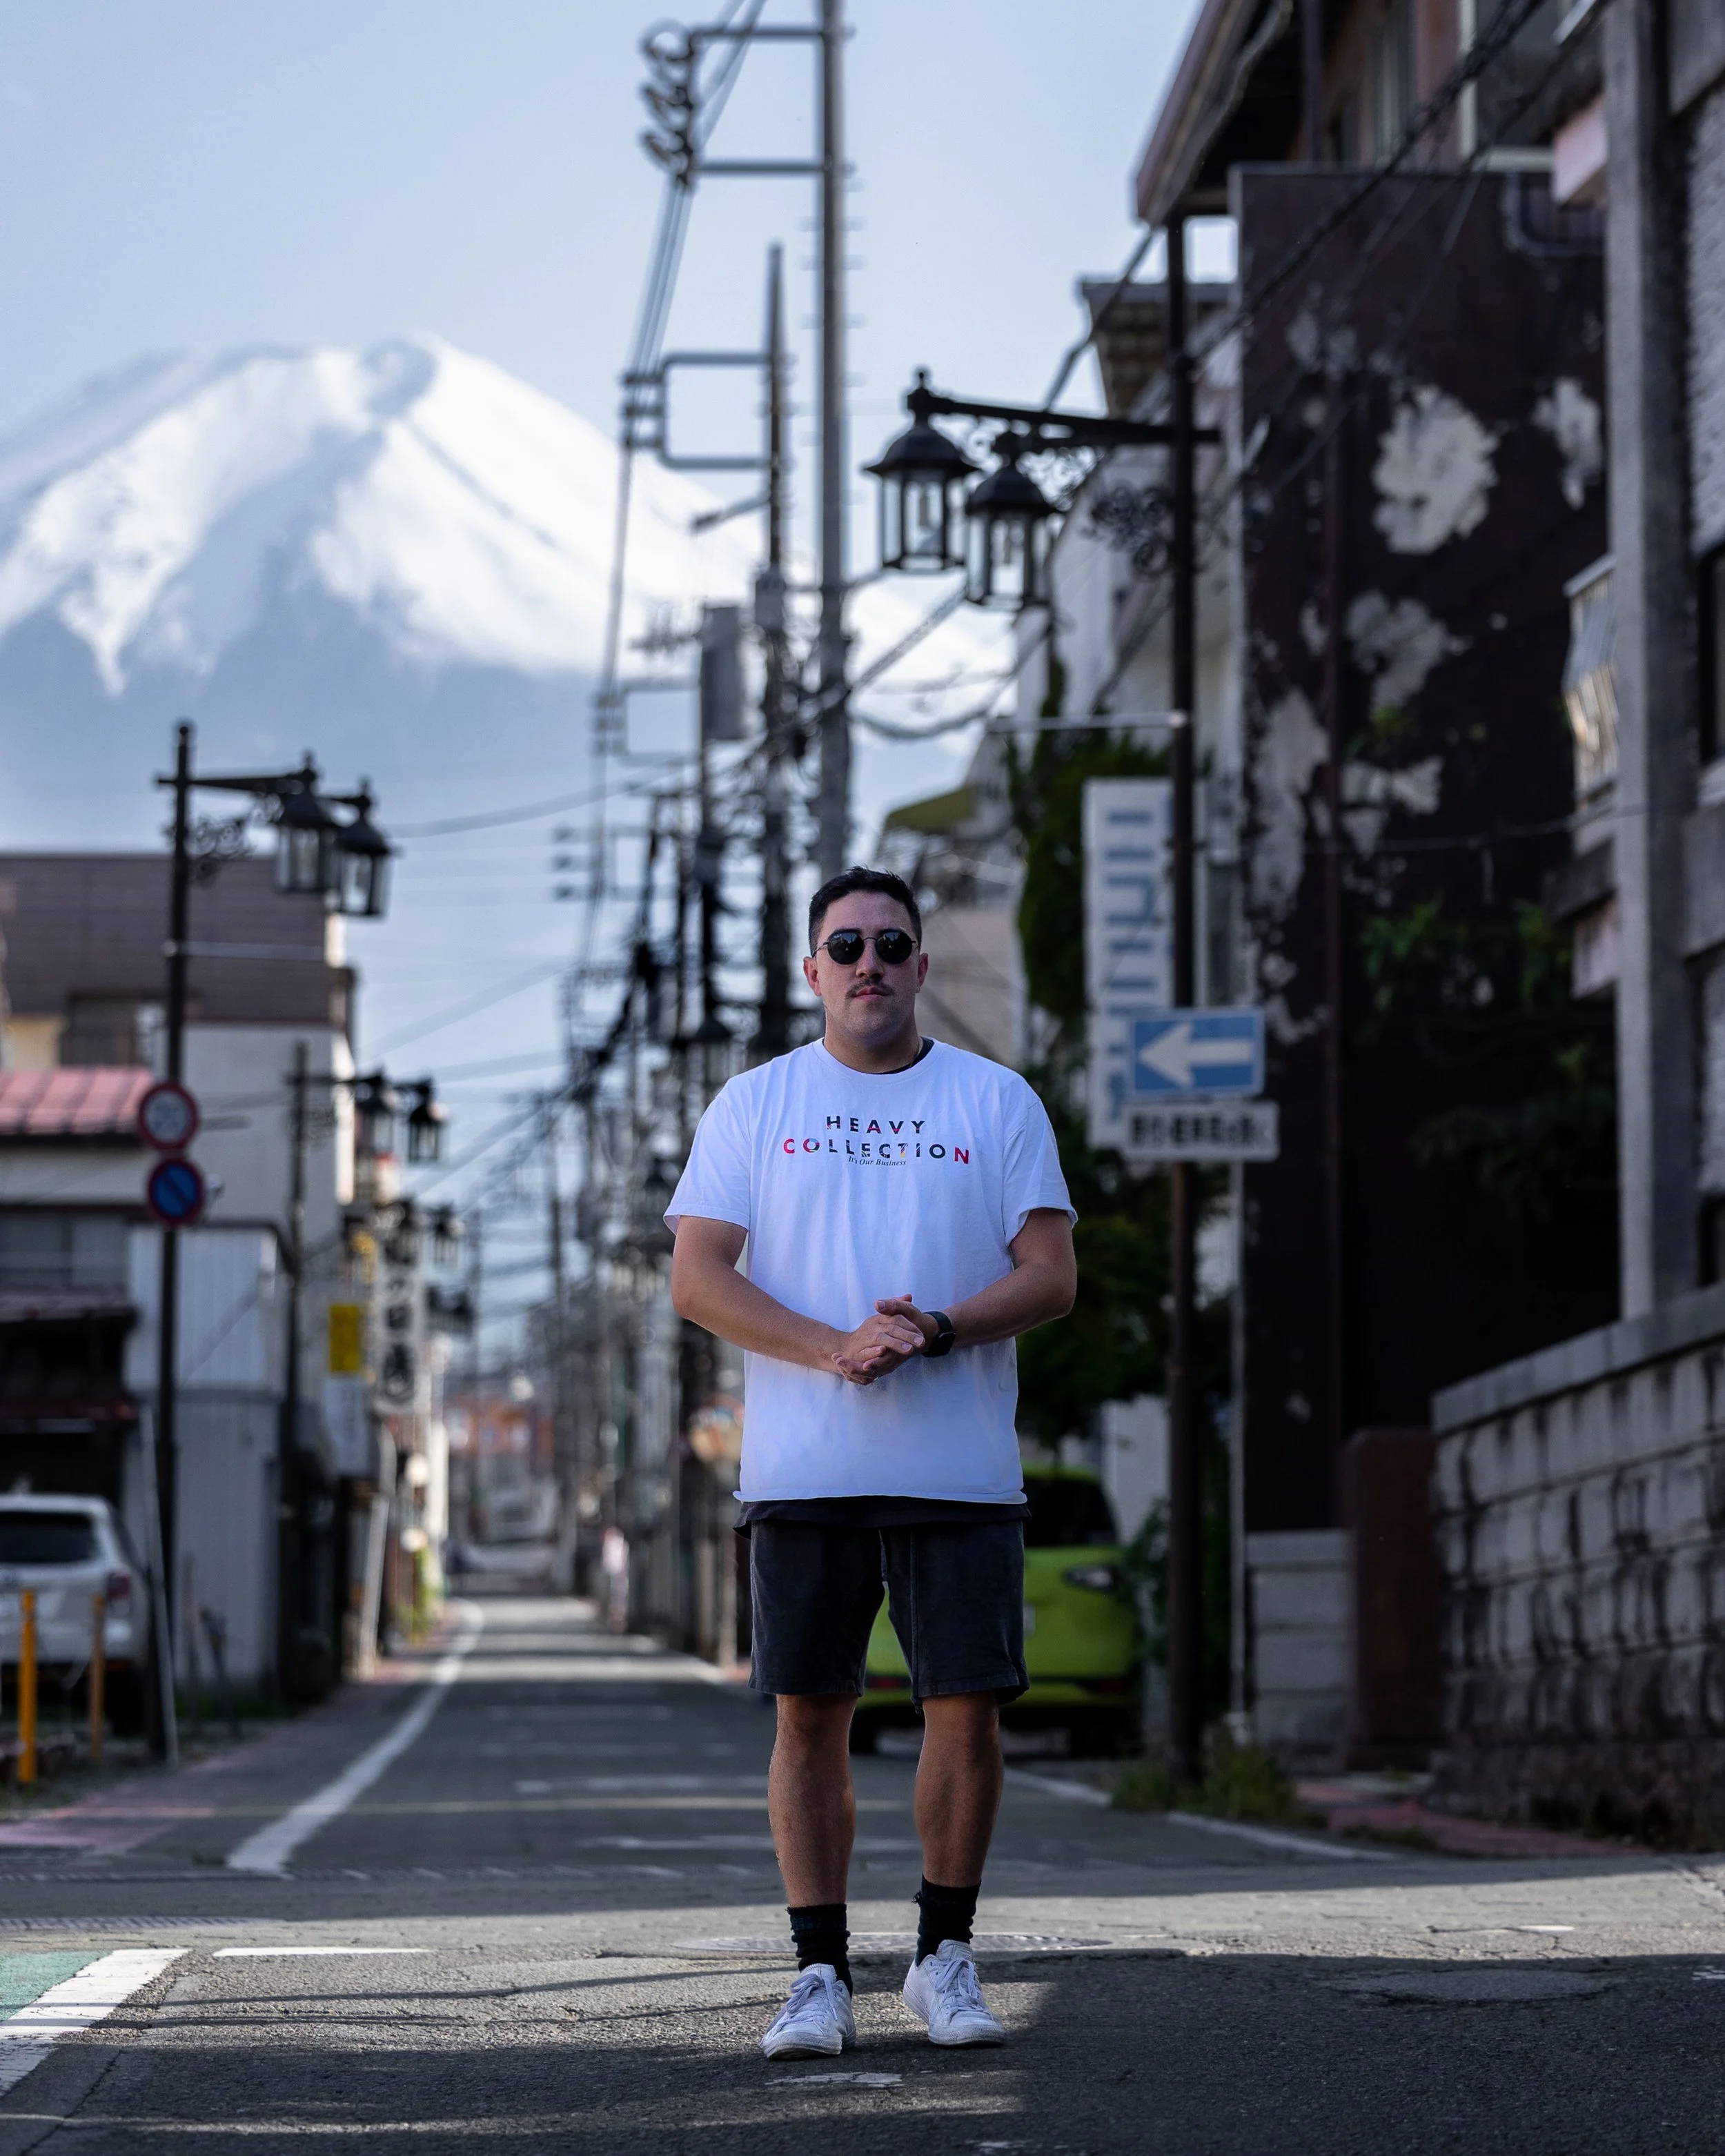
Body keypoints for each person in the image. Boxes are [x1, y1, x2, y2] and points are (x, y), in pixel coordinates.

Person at [667, 864, 1076, 2059]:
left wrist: (937, 1329)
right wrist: (833, 1348)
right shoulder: (753, 1103)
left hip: (958, 1467)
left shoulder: (996, 1101)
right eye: (844, 947)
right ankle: (817, 1976)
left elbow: (1049, 1275)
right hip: (803, 1468)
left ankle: (945, 1959)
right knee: (810, 1717)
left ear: (921, 968)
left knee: (965, 1714)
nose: (868, 966)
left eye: (890, 945)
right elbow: (699, 1278)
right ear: (812, 971)